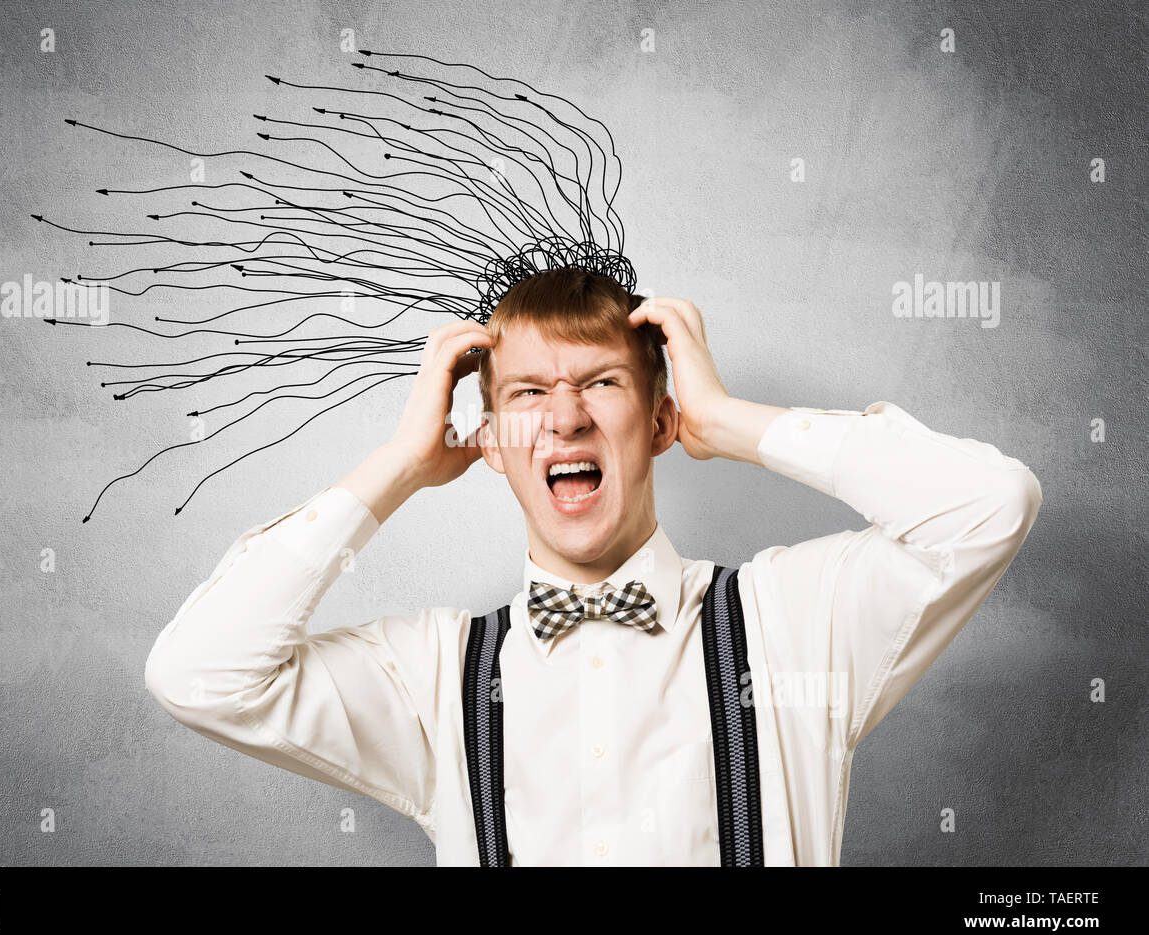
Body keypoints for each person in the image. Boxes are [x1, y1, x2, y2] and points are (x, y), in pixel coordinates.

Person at [144, 268, 1043, 866]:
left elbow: (990, 504)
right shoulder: (433, 680)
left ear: (659, 423)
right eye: (529, 393)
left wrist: (728, 421)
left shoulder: (793, 624)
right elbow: (198, 675)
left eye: (602, 383)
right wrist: (398, 470)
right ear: (491, 439)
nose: (566, 418)